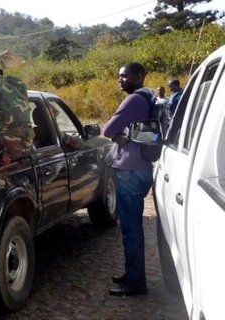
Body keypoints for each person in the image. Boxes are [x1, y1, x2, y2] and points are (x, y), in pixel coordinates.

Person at [103, 62, 154, 296]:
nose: (120, 80)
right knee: (132, 228)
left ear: (139, 76)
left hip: (130, 171)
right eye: (119, 76)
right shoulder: (148, 97)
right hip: (141, 167)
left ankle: (135, 282)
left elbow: (108, 129)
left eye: (124, 76)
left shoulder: (134, 100)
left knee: (131, 230)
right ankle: (133, 273)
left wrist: (119, 136)